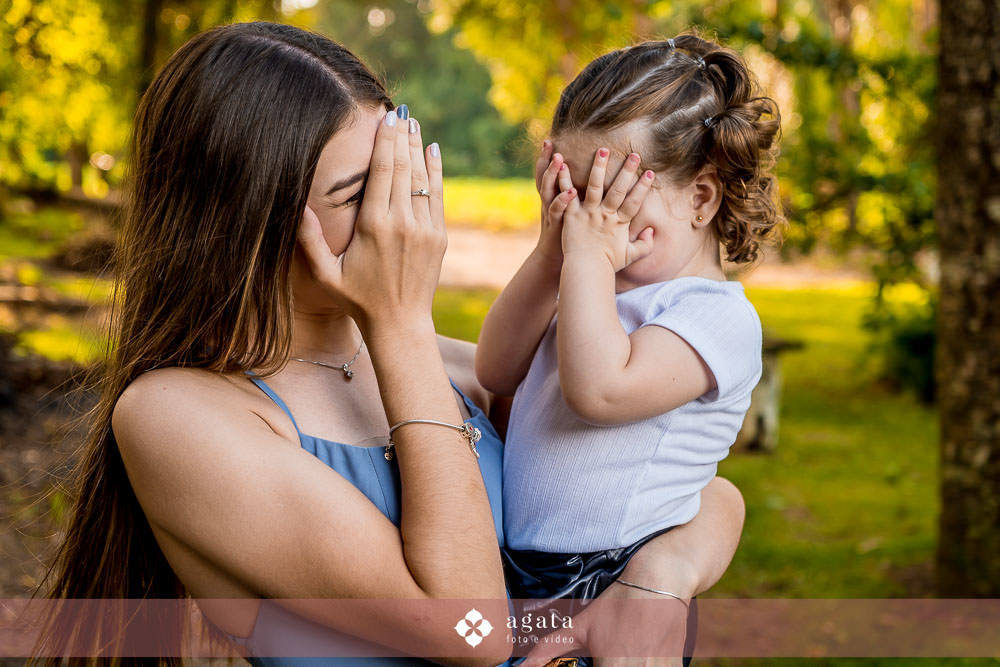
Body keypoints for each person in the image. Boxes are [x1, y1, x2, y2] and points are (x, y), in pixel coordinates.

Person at [28, 22, 746, 667]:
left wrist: (663, 575)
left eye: (402, 171)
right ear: (247, 223)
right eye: (360, 192)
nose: (403, 213)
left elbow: (696, 484)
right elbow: (474, 628)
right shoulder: (176, 417)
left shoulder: (430, 362)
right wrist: (400, 326)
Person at [476, 32, 782, 655]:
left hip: (607, 580)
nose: (587, 219)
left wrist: (584, 262)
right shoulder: (596, 288)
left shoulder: (716, 318)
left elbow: (600, 391)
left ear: (700, 198)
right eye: (573, 195)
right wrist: (548, 254)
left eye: (611, 198)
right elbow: (497, 368)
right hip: (520, 572)